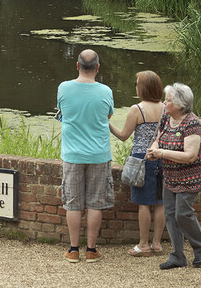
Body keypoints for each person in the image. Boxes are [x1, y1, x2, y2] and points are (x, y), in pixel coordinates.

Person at [56, 48, 114, 263]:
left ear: (77, 65)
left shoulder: (64, 88)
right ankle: (91, 249)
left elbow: (63, 110)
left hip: (72, 154)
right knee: (95, 203)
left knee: (73, 203)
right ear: (97, 68)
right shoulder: (106, 91)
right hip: (99, 154)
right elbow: (107, 115)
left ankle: (73, 250)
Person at [146, 82, 201, 270]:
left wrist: (162, 153)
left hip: (190, 177)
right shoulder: (166, 116)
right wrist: (154, 150)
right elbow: (158, 138)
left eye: (168, 100)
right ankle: (177, 256)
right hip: (170, 175)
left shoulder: (193, 123)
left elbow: (190, 156)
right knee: (170, 214)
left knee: (183, 214)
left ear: (180, 105)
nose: (164, 103)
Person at [110, 70, 166, 256]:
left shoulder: (137, 109)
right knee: (160, 203)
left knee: (144, 203)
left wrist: (107, 123)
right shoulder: (166, 108)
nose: (135, 86)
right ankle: (157, 243)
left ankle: (143, 244)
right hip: (162, 156)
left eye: (136, 83)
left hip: (142, 159)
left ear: (143, 87)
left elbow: (124, 136)